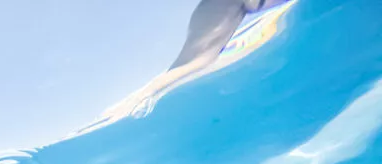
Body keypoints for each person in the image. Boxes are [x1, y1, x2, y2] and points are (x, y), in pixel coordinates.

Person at [95, 0, 296, 126]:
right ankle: (134, 102)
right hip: (222, 7)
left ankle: (141, 103)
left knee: (195, 62)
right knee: (197, 62)